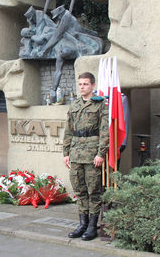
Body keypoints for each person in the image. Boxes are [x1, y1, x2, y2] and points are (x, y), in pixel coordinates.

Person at [63, 72, 109, 241]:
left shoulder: (100, 104)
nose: (82, 87)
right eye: (80, 84)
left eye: (85, 84)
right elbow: (68, 130)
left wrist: (101, 153)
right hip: (76, 153)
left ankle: (92, 226)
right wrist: (66, 153)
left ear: (93, 86)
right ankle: (82, 223)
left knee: (94, 191)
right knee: (79, 190)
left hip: (91, 154)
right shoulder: (74, 105)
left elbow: (105, 131)